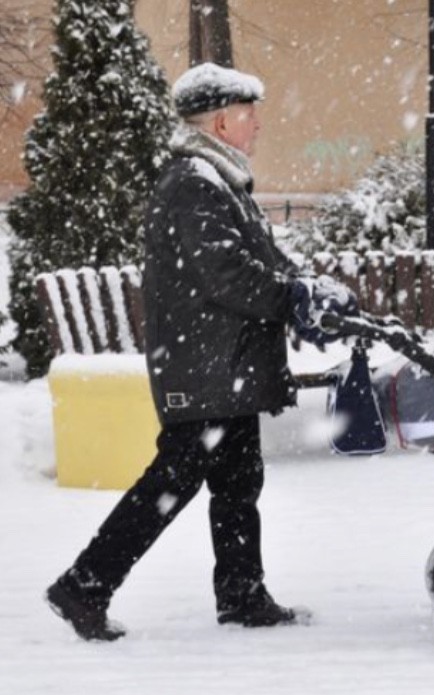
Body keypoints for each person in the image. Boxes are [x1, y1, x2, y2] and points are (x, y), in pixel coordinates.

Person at [45, 63, 356, 642]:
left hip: (223, 365)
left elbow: (257, 262)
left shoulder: (218, 180)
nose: (258, 125)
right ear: (220, 120)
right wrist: (290, 295)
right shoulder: (195, 181)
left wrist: (305, 286)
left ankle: (241, 594)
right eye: (249, 113)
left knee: (239, 480)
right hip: (207, 365)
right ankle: (85, 584)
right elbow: (228, 275)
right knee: (175, 478)